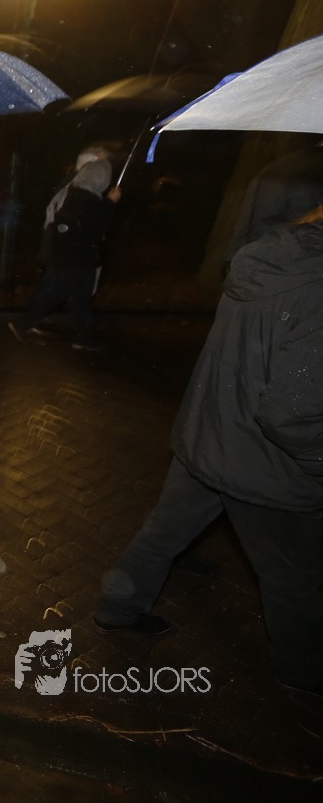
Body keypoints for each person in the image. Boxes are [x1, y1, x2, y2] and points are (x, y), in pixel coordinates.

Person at [93, 210, 323, 698]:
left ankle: (118, 607)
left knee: (164, 531)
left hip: (210, 434)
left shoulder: (265, 257)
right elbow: (295, 412)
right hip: (265, 464)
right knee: (292, 576)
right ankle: (301, 667)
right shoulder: (315, 288)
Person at [8, 156, 119, 351]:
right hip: (81, 258)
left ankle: (28, 324)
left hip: (69, 257)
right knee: (77, 298)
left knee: (66, 296)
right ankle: (77, 337)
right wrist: (110, 203)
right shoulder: (90, 199)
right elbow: (96, 229)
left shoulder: (74, 193)